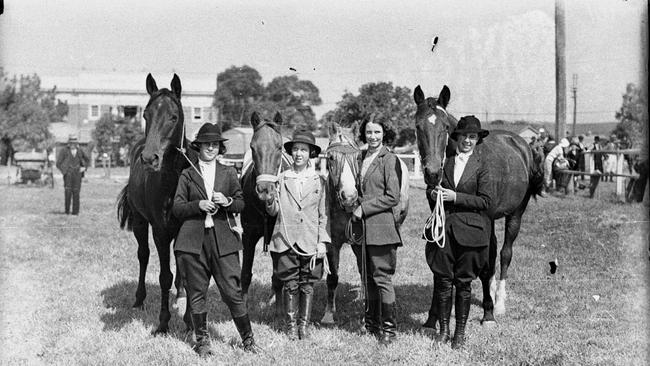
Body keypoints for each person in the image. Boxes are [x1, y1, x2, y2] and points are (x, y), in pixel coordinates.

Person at [172, 123, 260, 356]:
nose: (210, 148)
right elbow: (177, 208)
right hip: (193, 243)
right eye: (206, 144)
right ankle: (202, 342)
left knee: (232, 292)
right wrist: (197, 205)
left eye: (214, 144)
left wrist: (228, 201)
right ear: (198, 147)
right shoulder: (188, 174)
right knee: (196, 292)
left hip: (224, 241)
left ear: (219, 148)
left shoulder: (229, 173)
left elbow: (241, 203)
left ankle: (248, 340)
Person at [425, 115, 495, 349]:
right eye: (464, 135)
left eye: (472, 137)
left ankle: (460, 334)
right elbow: (439, 191)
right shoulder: (448, 163)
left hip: (473, 233)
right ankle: (444, 331)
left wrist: (457, 197)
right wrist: (435, 194)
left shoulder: (484, 166)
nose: (467, 140)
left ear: (478, 140)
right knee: (443, 281)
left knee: (464, 284)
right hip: (446, 230)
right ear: (457, 138)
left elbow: (486, 202)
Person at [264, 129, 330, 340]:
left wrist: (322, 242)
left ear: (311, 153)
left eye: (303, 149)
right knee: (290, 284)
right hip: (286, 239)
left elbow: (323, 215)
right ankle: (291, 326)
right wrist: (269, 199)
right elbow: (274, 212)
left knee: (307, 284)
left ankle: (304, 325)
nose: (299, 154)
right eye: (295, 149)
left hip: (310, 240)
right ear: (291, 153)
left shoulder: (319, 180)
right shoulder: (281, 179)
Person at [350, 114, 402, 345]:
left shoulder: (389, 159)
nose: (372, 137)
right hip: (362, 230)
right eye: (369, 132)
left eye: (377, 132)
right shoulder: (361, 157)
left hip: (381, 228)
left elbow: (392, 196)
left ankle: (388, 330)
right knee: (368, 278)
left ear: (385, 134)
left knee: (382, 279)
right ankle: (371, 323)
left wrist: (364, 208)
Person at [56, 134, 89, 215]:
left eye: (74, 142)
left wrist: (84, 168)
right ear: (69, 143)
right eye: (71, 142)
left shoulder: (80, 150)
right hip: (68, 174)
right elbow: (58, 163)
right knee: (68, 192)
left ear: (76, 143)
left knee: (76, 192)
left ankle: (75, 212)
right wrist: (64, 171)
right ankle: (67, 211)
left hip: (77, 174)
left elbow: (87, 160)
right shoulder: (64, 150)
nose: (72, 144)